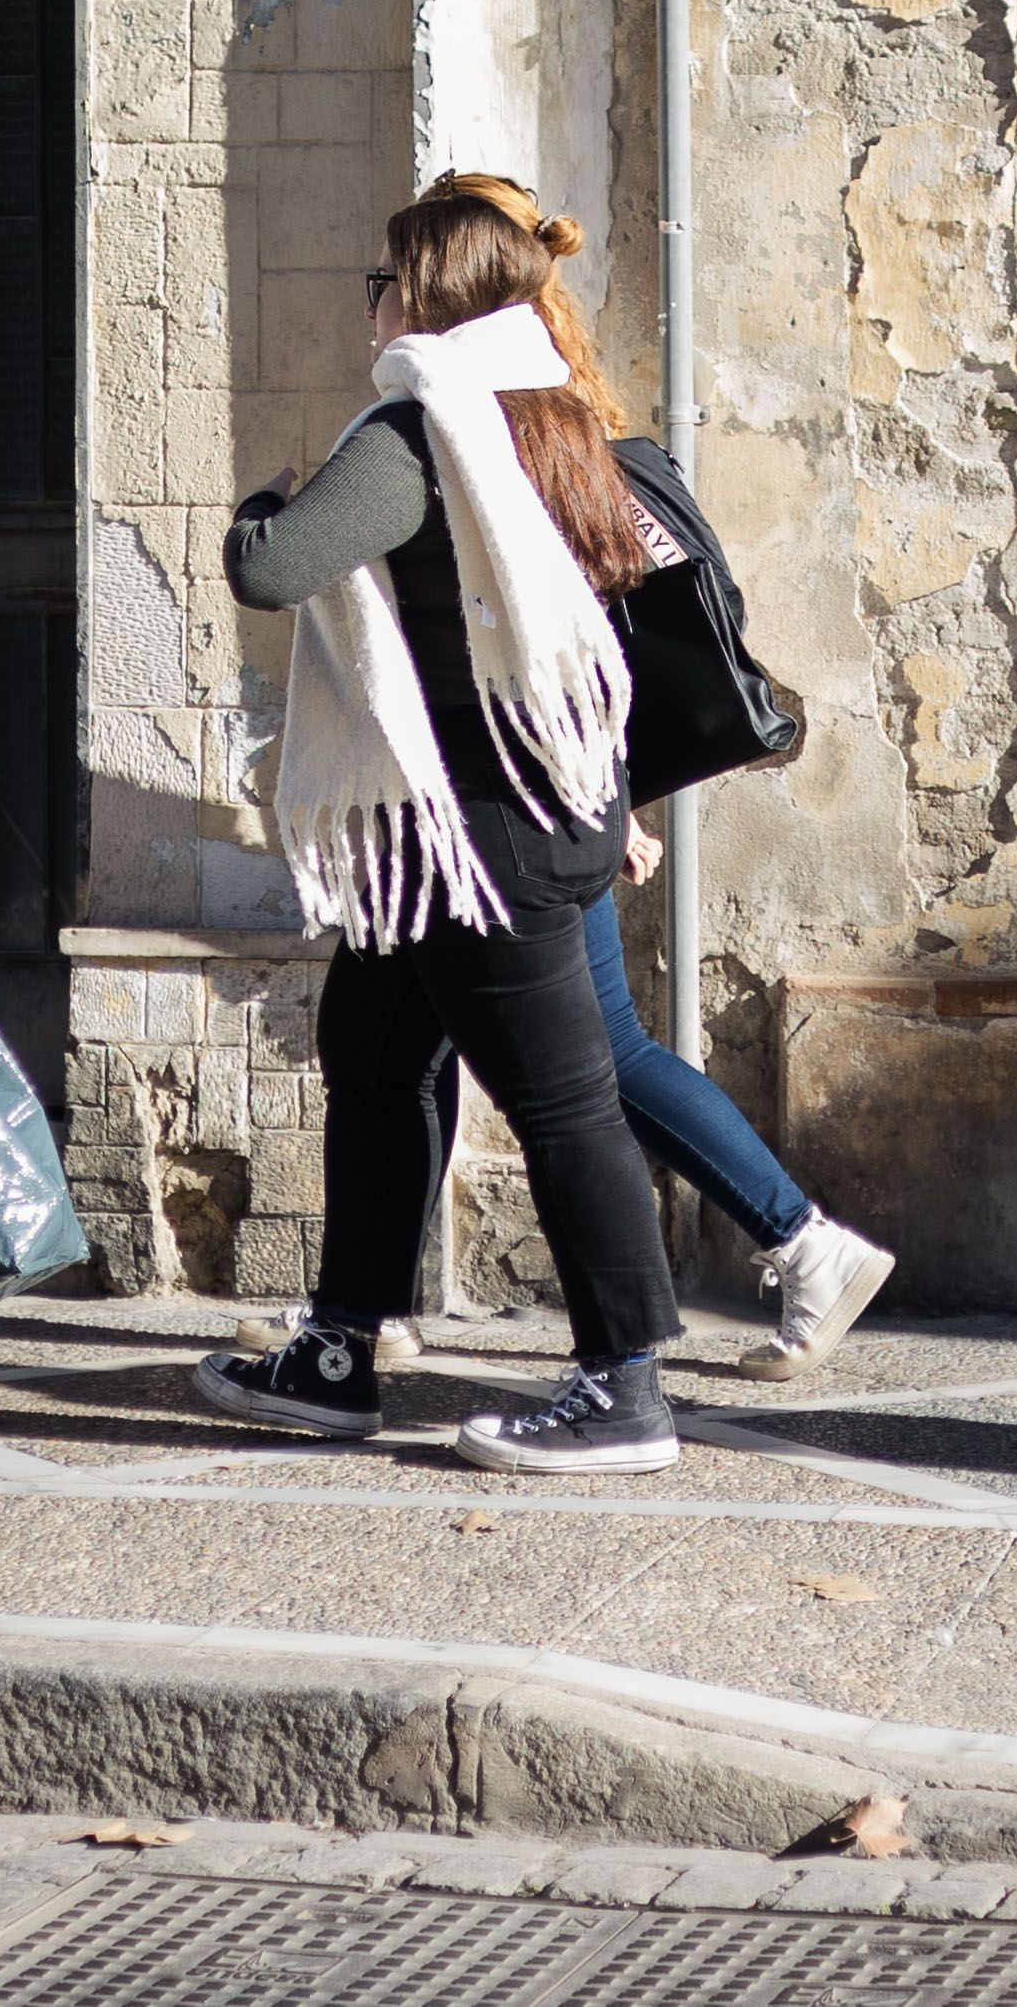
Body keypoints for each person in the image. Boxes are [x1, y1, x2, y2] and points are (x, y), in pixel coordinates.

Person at [189, 175, 689, 1473]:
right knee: (369, 1044)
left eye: (384, 279)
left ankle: (622, 1389)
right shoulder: (553, 421)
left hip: (476, 837)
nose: (373, 302)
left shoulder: (416, 432)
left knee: (567, 1102)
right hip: (503, 813)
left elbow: (272, 566)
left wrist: (260, 501)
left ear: (427, 294)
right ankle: (344, 1345)